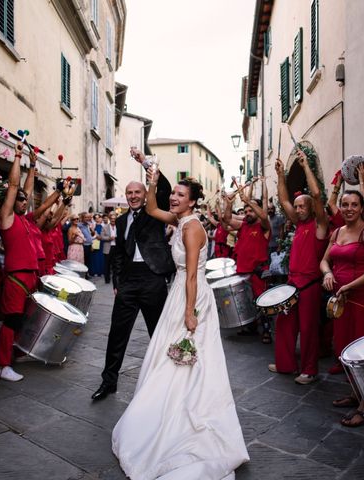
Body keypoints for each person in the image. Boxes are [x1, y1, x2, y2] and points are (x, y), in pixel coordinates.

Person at [112, 172, 249, 479]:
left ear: (192, 201)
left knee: (191, 355)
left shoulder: (192, 228)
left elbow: (189, 275)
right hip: (180, 294)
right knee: (170, 354)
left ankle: (188, 410)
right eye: (172, 193)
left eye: (179, 195)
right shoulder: (180, 221)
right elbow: (149, 209)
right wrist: (151, 181)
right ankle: (171, 404)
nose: (173, 198)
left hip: (191, 296)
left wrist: (189, 312)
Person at [91, 148, 175, 401]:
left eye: (138, 192)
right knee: (117, 333)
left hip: (153, 278)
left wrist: (144, 162)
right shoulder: (120, 220)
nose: (133, 196)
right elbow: (118, 253)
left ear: (144, 193)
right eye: (129, 193)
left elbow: (163, 184)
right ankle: (109, 382)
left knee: (158, 334)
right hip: (128, 282)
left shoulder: (154, 211)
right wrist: (117, 281)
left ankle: (166, 382)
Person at [320, 190, 364, 427]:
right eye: (345, 204)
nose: (349, 209)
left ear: (361, 207)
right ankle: (357, 393)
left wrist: (350, 285)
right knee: (345, 346)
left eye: (354, 205)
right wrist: (327, 273)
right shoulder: (337, 232)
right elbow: (324, 259)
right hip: (342, 300)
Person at [272, 149, 329, 384]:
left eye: (301, 206)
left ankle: (309, 370)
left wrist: (306, 166)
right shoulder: (298, 224)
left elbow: (316, 194)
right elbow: (283, 200)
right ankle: (286, 364)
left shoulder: (319, 225)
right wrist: (280, 176)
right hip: (292, 283)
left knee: (308, 329)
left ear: (310, 207)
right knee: (284, 323)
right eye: (296, 207)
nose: (297, 210)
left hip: (310, 285)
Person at [0, 141, 39, 382]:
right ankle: (1, 366)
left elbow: (27, 190)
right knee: (11, 320)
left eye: (24, 200)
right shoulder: (7, 217)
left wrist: (32, 165)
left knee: (20, 319)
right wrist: (17, 157)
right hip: (16, 277)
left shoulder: (23, 219)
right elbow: (14, 186)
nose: (24, 201)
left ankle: (11, 355)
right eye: (19, 199)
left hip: (29, 276)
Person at [222, 179, 272, 343]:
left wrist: (248, 200)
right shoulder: (243, 225)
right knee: (245, 302)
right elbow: (227, 219)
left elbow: (264, 214)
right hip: (243, 271)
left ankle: (266, 331)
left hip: (258, 272)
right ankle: (250, 327)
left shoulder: (263, 226)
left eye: (251, 210)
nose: (248, 213)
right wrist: (228, 204)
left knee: (262, 302)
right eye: (246, 210)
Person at [100, 212, 117, 284]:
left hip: (116, 247)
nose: (113, 221)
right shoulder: (105, 227)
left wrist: (117, 238)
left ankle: (115, 279)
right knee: (107, 265)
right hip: (108, 248)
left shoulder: (119, 226)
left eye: (114, 220)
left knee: (115, 264)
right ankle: (107, 279)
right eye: (112, 220)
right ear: (110, 219)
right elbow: (102, 237)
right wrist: (109, 238)